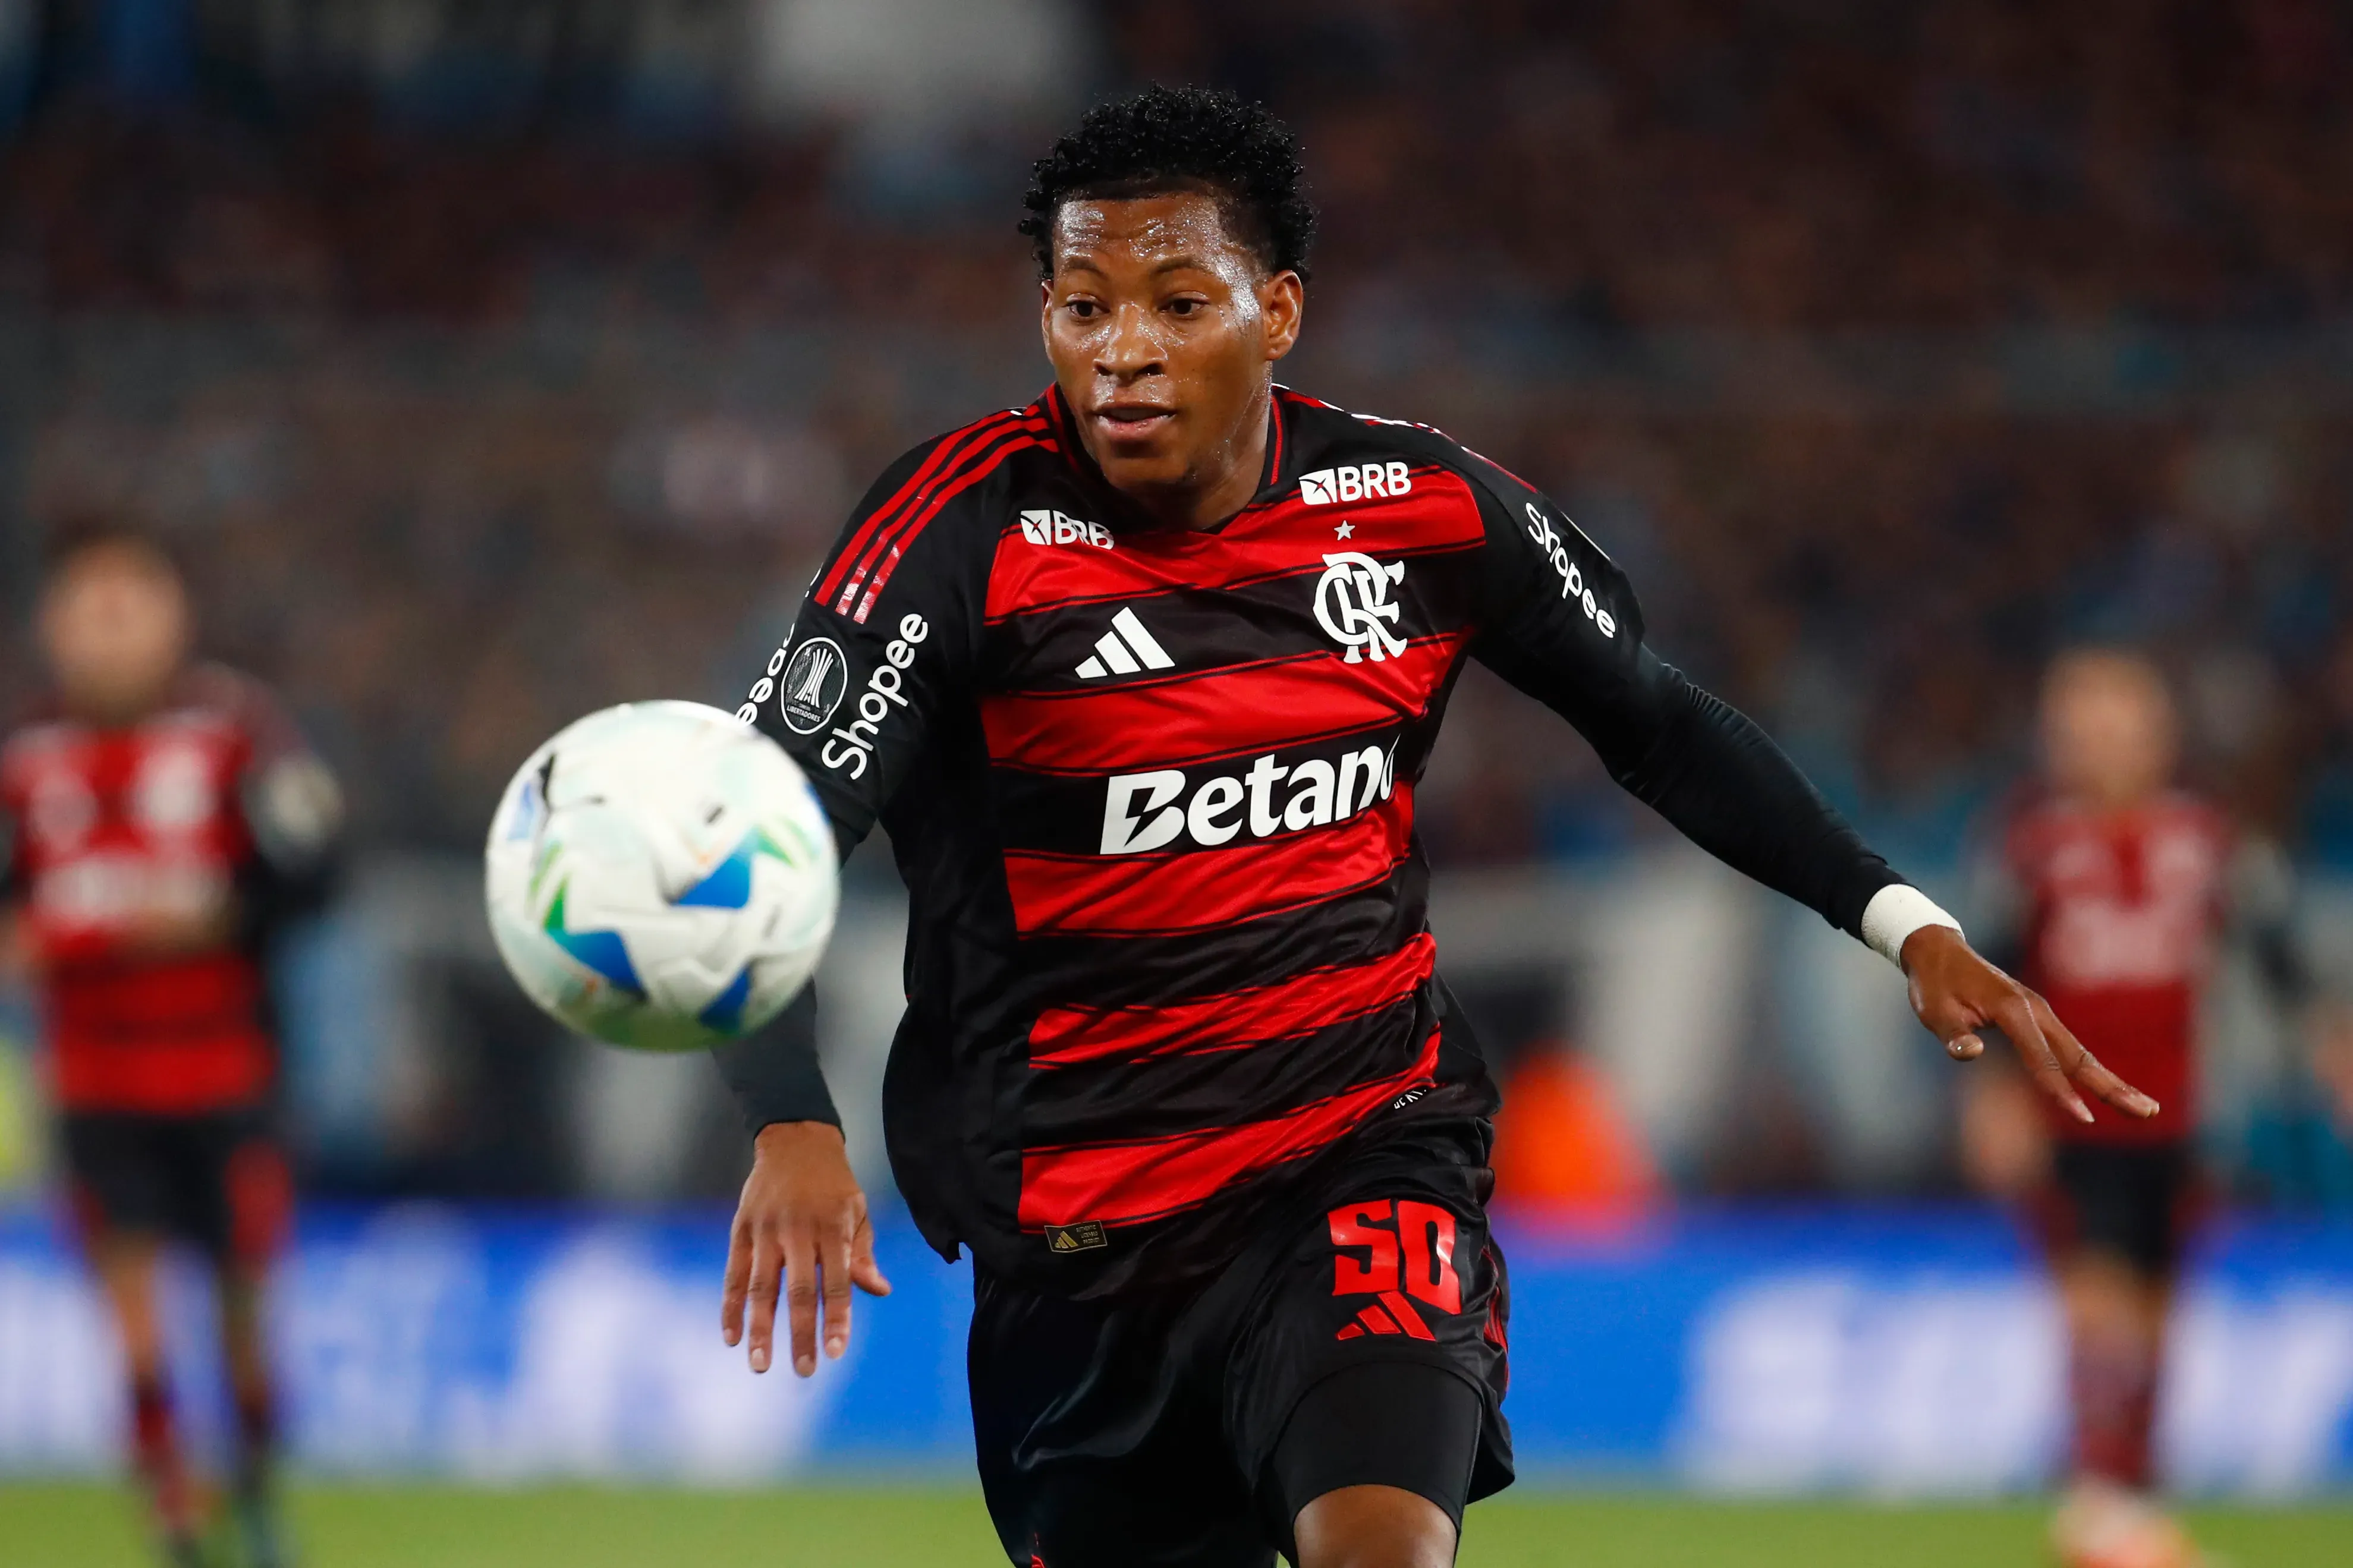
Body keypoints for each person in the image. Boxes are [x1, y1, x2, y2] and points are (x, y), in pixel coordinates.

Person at [712, 87, 2153, 1568]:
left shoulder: (1413, 505)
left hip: (1358, 1157)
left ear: (1274, 314)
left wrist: (1896, 918)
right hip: (1078, 1246)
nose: (1120, 350)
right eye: (1079, 306)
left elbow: (1651, 719)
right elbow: (759, 844)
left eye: (1174, 301)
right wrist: (790, 1117)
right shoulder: (962, 531)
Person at [0, 518, 341, 1568]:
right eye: (89, 604)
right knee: (135, 1308)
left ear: (173, 613)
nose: (111, 625)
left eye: (131, 598)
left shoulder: (238, 730)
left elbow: (316, 870)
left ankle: (253, 1478)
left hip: (225, 1070)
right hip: (96, 1079)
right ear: (53, 625)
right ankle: (176, 1518)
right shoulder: (23, 758)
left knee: (243, 1302)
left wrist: (220, 913)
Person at [1959, 648, 2309, 1568]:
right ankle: (2095, 1504)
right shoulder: (2028, 843)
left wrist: (2329, 1045)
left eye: (2117, 722)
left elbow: (2280, 955)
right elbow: (1987, 968)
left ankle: (2132, 1501)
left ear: (2160, 734)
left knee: (2156, 1322)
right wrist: (1991, 1091)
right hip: (2069, 1122)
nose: (2098, 742)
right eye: (2078, 725)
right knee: (2097, 1314)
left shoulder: (2209, 837)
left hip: (2178, 1120)